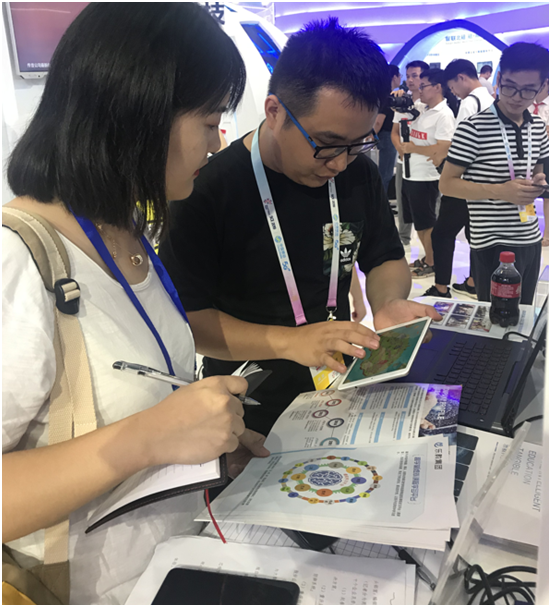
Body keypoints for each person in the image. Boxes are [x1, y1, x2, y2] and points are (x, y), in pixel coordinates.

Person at [2, 4, 270, 604]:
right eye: (209, 120)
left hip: (169, 571)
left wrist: (203, 449)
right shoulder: (18, 260)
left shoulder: (129, 235)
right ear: (140, 115)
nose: (218, 141)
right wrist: (149, 437)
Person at [160, 19, 441, 437]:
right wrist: (291, 342)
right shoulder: (207, 189)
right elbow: (190, 319)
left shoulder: (357, 174)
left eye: (358, 144)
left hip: (340, 386)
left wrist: (388, 303)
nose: (339, 163)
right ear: (275, 112)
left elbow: (384, 256)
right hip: (246, 403)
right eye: (326, 144)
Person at [440, 43, 549, 305]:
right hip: (491, 241)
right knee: (495, 317)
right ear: (499, 79)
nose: (516, 97)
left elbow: (539, 174)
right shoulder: (473, 127)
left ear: (543, 87)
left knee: (524, 313)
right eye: (510, 86)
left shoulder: (539, 127)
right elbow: (447, 184)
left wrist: (539, 183)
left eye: (528, 90)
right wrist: (501, 191)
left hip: (529, 237)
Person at [422, 59, 494, 299]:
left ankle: (441, 288)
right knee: (476, 233)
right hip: (485, 180)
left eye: (452, 87)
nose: (453, 92)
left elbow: (461, 145)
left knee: (442, 234)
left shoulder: (469, 103)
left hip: (464, 180)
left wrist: (446, 166)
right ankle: (473, 282)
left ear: (461, 78)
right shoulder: (490, 99)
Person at [399, 68, 456, 278]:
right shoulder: (421, 107)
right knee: (419, 222)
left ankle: (432, 262)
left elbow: (444, 148)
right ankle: (428, 257)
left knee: (427, 222)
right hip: (411, 173)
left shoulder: (444, 115)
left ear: (438, 87)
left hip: (426, 176)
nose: (419, 89)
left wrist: (414, 148)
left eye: (423, 86)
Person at [390, 60, 429, 246]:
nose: (411, 80)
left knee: (426, 207)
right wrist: (401, 150)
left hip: (424, 164)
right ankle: (403, 239)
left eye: (415, 76)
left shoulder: (429, 104)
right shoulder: (402, 102)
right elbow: (394, 132)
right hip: (403, 162)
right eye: (408, 76)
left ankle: (430, 246)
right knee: (402, 201)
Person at [374, 64, 402, 196]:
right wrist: (372, 135)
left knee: (384, 172)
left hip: (384, 136)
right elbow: (379, 120)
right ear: (394, 77)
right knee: (385, 173)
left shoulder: (383, 94)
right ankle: (381, 201)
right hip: (387, 136)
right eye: (400, 75)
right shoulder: (388, 96)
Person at [528, 80, 549, 246]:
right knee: (527, 191)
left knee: (547, 195)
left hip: (547, 155)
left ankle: (547, 233)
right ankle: (528, 227)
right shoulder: (527, 105)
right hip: (527, 154)